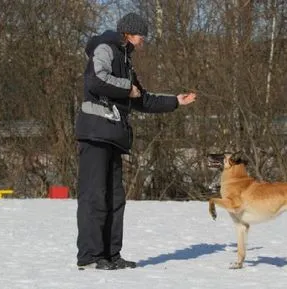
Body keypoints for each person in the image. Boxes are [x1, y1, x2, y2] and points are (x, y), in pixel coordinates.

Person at [75, 12, 196, 270]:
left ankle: (110, 255)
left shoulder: (126, 59)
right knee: (94, 196)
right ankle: (89, 257)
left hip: (113, 136)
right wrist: (125, 88)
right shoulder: (104, 47)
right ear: (128, 33)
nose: (143, 41)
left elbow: (142, 99)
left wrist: (175, 101)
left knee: (115, 199)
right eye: (141, 35)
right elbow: (96, 80)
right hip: (95, 132)